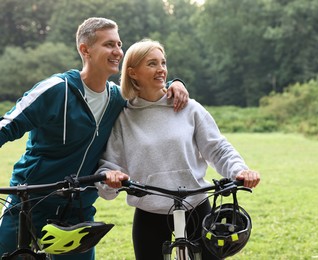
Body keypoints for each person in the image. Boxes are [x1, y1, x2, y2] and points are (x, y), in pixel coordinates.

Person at [0, 18, 188, 260]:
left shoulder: (118, 98)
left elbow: (152, 89)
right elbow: (7, 126)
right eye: (109, 44)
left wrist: (176, 83)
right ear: (85, 49)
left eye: (119, 44)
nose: (118, 52)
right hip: (29, 202)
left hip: (76, 210)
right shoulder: (56, 89)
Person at [95, 38, 261, 260]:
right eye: (152, 64)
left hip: (196, 204)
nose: (161, 69)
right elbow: (110, 164)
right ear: (133, 72)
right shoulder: (124, 117)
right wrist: (111, 177)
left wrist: (239, 170)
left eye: (163, 63)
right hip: (149, 210)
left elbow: (218, 148)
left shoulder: (188, 107)